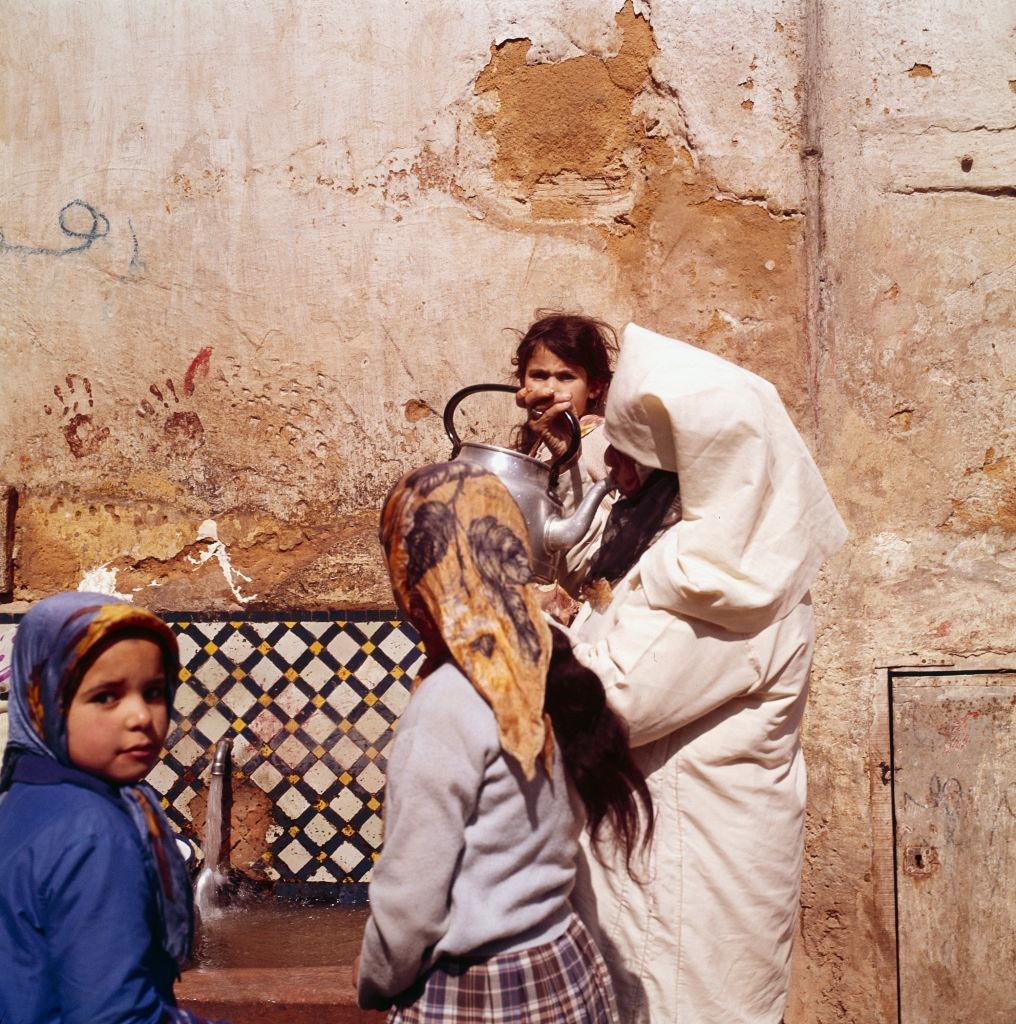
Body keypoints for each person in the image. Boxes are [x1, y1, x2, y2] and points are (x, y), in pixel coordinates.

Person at [562, 324, 848, 1024]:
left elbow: (613, 701)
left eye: (632, 457)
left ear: (695, 467)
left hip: (693, 875)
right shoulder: (702, 561)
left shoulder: (727, 583)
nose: (615, 473)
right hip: (665, 859)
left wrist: (515, 636)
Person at [355, 460, 654, 1023]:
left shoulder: (445, 702)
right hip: (564, 965)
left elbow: (411, 903)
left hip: (480, 990)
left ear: (413, 570)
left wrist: (374, 978)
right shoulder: (550, 657)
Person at [0, 592, 226, 1024]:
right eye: (106, 696)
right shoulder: (95, 832)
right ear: (43, 700)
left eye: (155, 692)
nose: (141, 716)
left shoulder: (22, 800)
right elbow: (116, 1014)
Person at [510, 311, 619, 596]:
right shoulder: (533, 448)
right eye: (539, 375)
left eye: (566, 377)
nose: (549, 388)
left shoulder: (604, 440)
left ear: (594, 387)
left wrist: (569, 457)